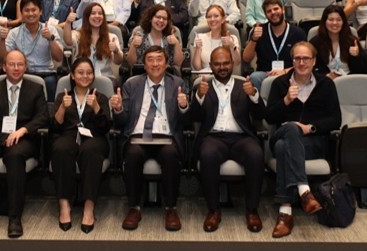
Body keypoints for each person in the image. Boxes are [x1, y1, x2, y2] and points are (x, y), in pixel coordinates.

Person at [264, 42, 340, 238]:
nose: (301, 62)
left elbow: (335, 119)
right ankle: (305, 192)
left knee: (283, 148)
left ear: (314, 61)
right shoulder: (280, 84)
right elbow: (269, 117)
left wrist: (311, 128)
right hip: (282, 133)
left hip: (312, 142)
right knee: (290, 129)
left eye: (306, 58)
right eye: (297, 58)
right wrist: (286, 101)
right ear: (293, 61)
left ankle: (285, 210)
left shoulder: (326, 84)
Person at [0, 51, 48, 238]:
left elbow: (43, 117)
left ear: (25, 66)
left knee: (14, 156)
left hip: (23, 135)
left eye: (20, 64)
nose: (16, 68)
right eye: (11, 64)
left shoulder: (35, 88)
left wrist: (23, 130)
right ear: (4, 67)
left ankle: (14, 217)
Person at [113, 46, 190, 232]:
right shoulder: (132, 84)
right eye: (150, 60)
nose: (155, 64)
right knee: (132, 154)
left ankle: (171, 208)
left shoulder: (177, 83)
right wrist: (117, 109)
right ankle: (134, 208)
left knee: (171, 155)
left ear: (166, 64)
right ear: (144, 64)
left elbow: (186, 122)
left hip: (166, 137)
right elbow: (122, 122)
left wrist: (184, 106)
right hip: (138, 136)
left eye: (159, 59)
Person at [192, 46, 266, 233]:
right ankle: (213, 210)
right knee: (207, 155)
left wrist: (254, 96)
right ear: (211, 66)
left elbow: (261, 114)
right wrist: (199, 97)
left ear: (233, 63)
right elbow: (191, 118)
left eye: (226, 63)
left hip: (241, 137)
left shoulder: (244, 86)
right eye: (217, 64)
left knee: (256, 153)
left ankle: (252, 210)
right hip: (214, 137)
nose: (222, 67)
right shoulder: (203, 86)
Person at [50, 57, 111, 233]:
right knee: (60, 148)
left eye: (89, 73)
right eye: (80, 73)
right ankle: (64, 205)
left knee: (90, 150)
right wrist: (62, 108)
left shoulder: (100, 96)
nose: (85, 76)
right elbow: (55, 127)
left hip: (94, 137)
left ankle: (89, 207)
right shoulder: (64, 96)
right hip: (68, 135)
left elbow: (105, 127)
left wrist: (97, 107)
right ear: (73, 75)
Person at [5, 0, 65, 99]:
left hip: (46, 73)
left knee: (51, 83)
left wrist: (50, 39)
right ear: (21, 13)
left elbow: (59, 58)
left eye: (34, 10)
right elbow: (4, 58)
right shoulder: (14, 33)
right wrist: (2, 40)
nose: (31, 14)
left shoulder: (51, 30)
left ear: (40, 11)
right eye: (26, 10)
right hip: (23, 73)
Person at [242, 0, 306, 89]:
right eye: (269, 11)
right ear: (265, 15)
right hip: (265, 74)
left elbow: (304, 61)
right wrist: (254, 39)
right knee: (254, 77)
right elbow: (246, 58)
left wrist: (284, 71)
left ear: (283, 10)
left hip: (291, 73)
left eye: (276, 9)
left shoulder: (298, 33)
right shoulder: (259, 31)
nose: (273, 13)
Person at [312, 5, 367, 78]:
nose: (335, 23)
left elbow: (366, 71)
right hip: (325, 82)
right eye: (331, 19)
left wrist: (357, 56)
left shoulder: (352, 41)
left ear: (343, 22)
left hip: (350, 81)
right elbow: (312, 68)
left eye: (338, 20)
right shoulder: (315, 43)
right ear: (324, 22)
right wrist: (326, 76)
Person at [128, 5, 185, 72]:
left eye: (164, 18)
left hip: (168, 75)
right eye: (158, 17)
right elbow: (131, 63)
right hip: (142, 75)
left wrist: (176, 44)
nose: (161, 20)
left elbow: (178, 64)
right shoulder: (138, 32)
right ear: (150, 18)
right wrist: (133, 45)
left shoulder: (173, 33)